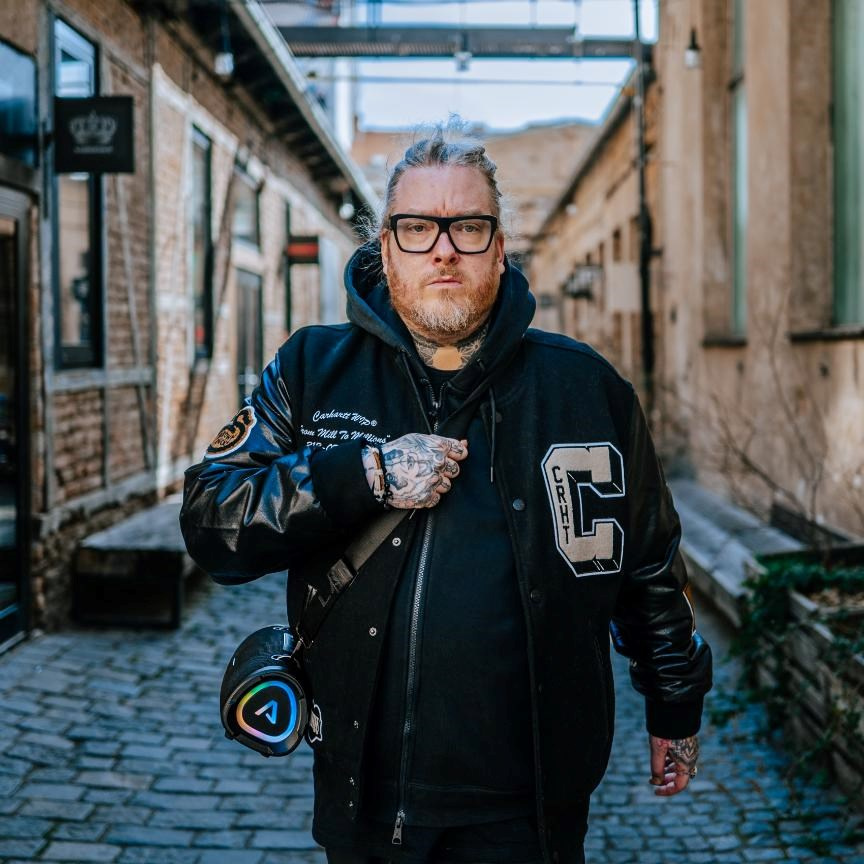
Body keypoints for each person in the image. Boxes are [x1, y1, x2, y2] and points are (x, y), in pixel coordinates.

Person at [180, 121, 712, 864]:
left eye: (467, 226)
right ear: (385, 246)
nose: (443, 249)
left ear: (499, 246)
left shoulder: (585, 389)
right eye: (417, 227)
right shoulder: (313, 370)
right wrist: (363, 474)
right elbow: (213, 518)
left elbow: (650, 564)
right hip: (370, 797)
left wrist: (675, 705)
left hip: (532, 803)